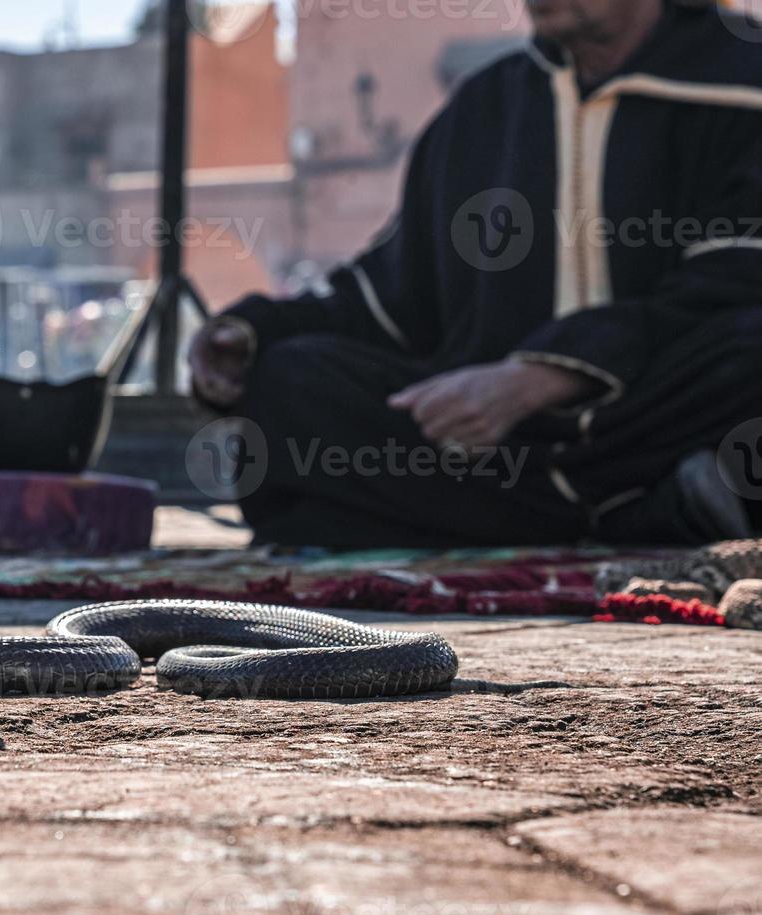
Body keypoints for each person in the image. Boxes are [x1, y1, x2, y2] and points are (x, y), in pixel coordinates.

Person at [190, 0, 762, 549]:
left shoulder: (741, 87)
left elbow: (733, 284)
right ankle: (642, 511)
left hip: (663, 412)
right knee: (294, 379)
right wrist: (255, 333)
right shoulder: (485, 108)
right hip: (493, 445)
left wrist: (542, 376)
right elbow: (392, 296)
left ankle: (589, 511)